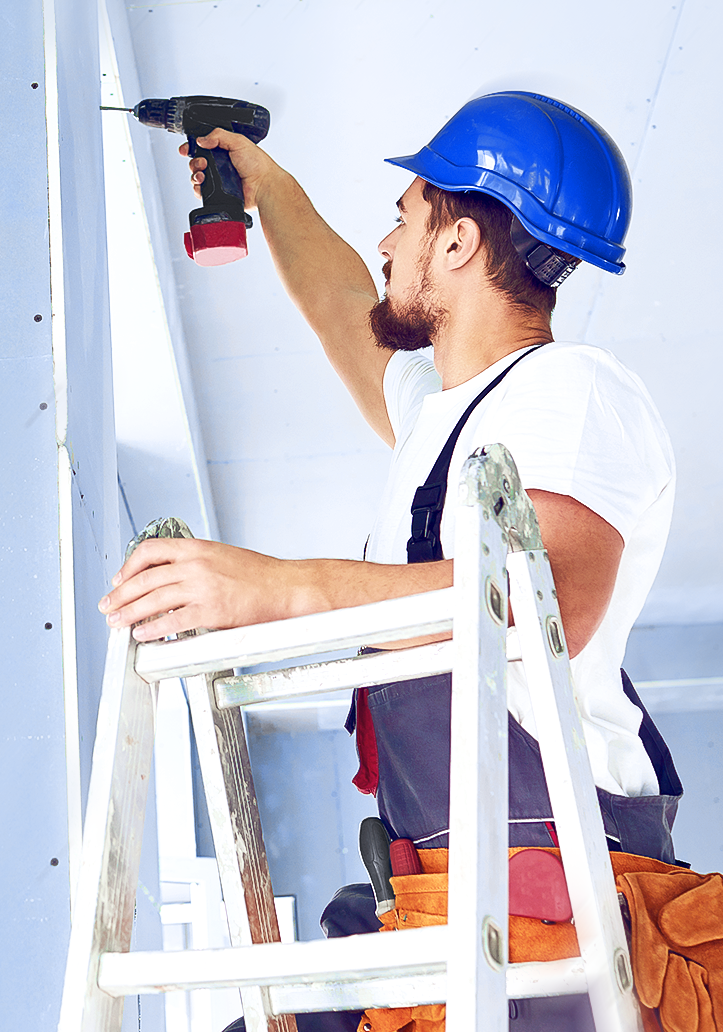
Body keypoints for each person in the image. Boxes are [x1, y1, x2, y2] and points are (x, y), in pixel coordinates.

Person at [97, 92, 684, 1031]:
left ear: (454, 245)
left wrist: (272, 588)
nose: (384, 243)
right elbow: (346, 308)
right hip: (448, 900)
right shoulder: (449, 418)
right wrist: (264, 184)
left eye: (404, 218)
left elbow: (542, 609)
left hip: (553, 905)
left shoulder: (571, 394)